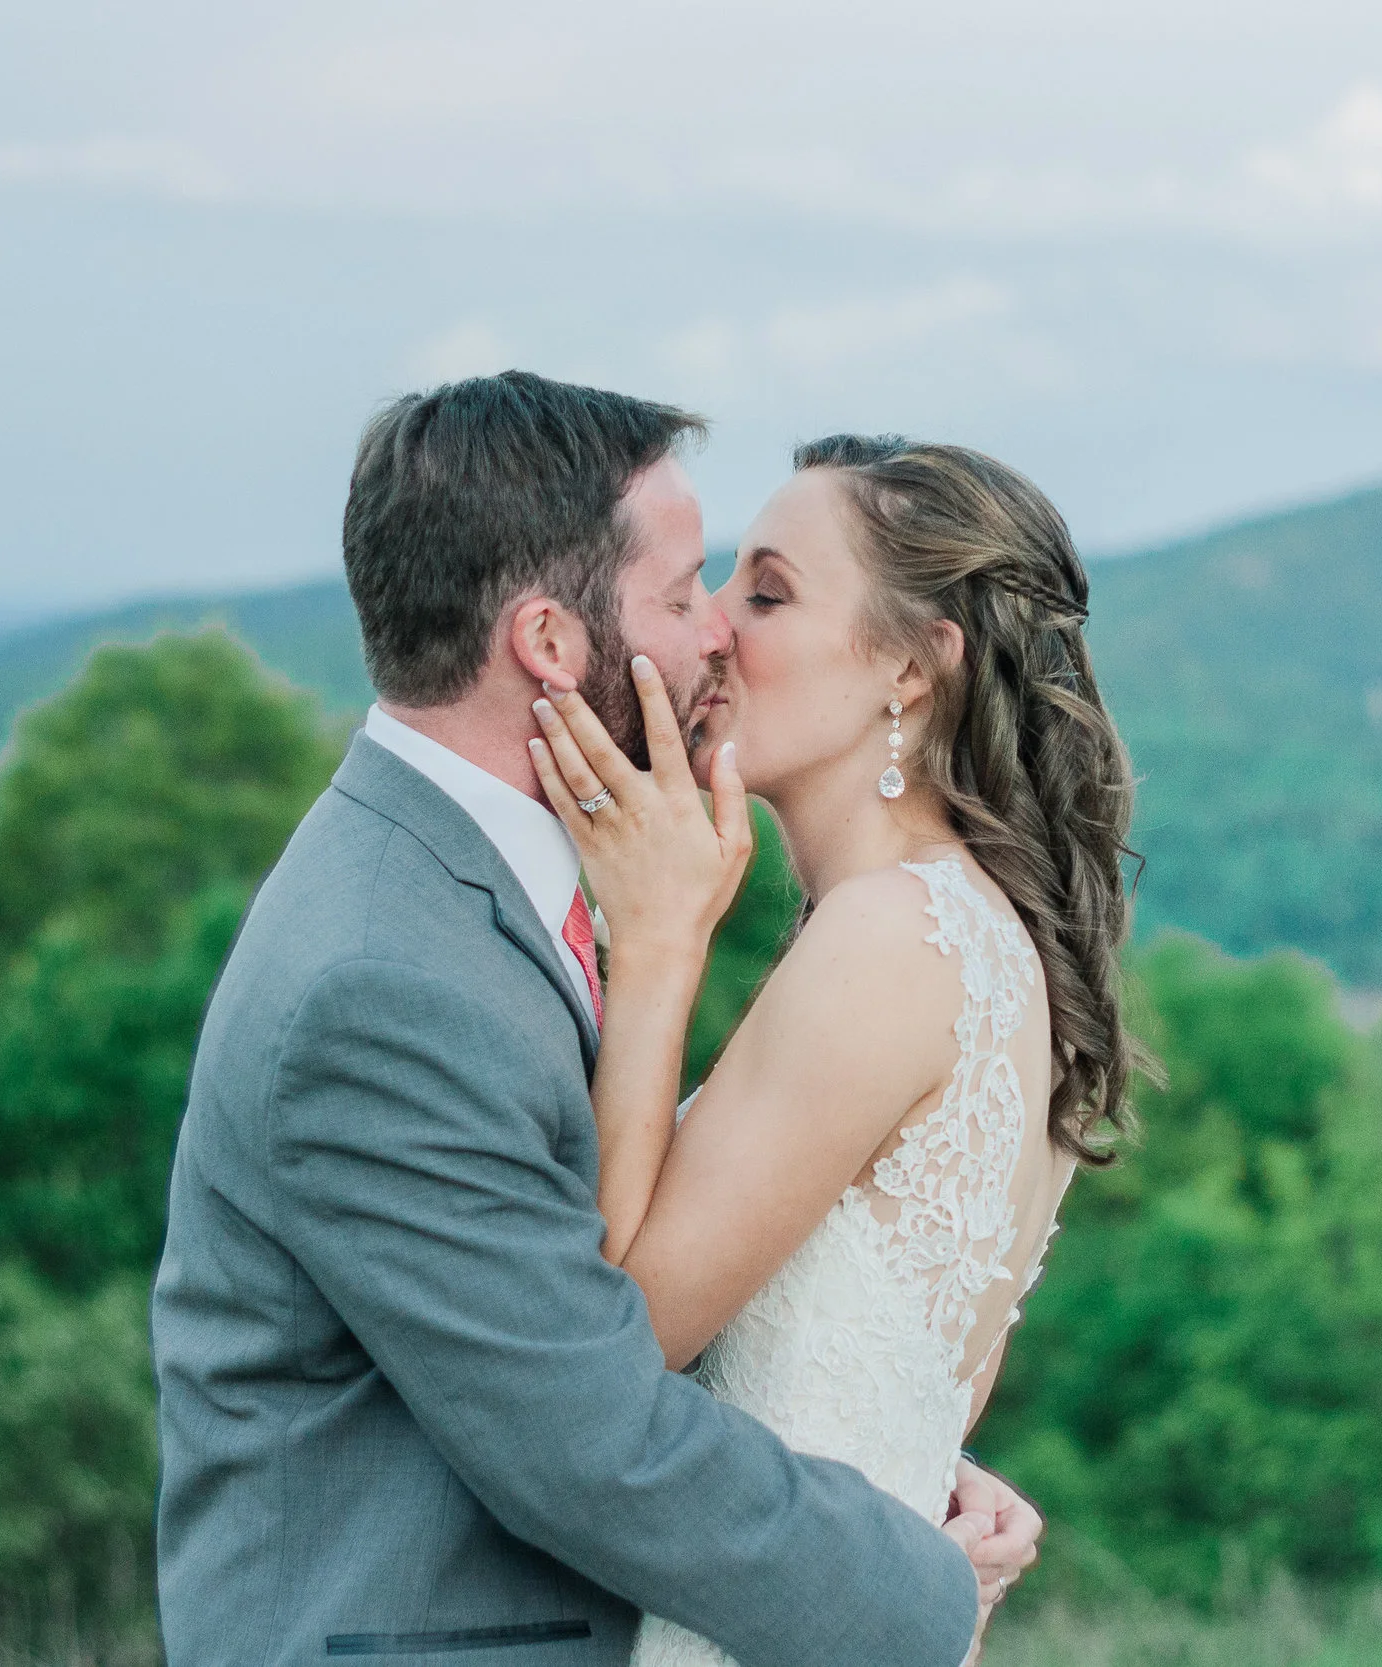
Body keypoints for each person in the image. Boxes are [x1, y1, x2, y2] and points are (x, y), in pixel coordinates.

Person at [151, 374, 1038, 1667]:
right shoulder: (381, 983)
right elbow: (591, 1435)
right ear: (552, 644)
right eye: (684, 595)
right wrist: (913, 1579)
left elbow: (568, 1295)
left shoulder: (452, 882)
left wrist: (885, 1450)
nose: (714, 635)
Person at [522, 434, 1152, 1667]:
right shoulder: (979, 937)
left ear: (912, 668)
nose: (709, 627)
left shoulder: (889, 940)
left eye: (764, 591)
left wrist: (653, 947)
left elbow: (615, 1339)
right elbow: (900, 1396)